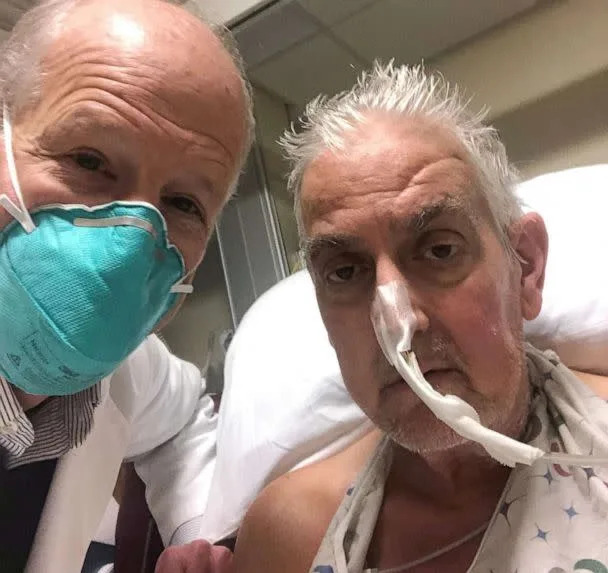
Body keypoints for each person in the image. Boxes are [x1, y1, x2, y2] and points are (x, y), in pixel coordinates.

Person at [233, 63, 608, 572]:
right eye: (345, 271)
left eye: (438, 250)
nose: (399, 324)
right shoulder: (289, 537)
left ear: (525, 268)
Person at [0, 0, 253, 571]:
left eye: (184, 203)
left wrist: (197, 537)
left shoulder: (129, 374)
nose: (132, 242)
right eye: (89, 159)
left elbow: (183, 422)